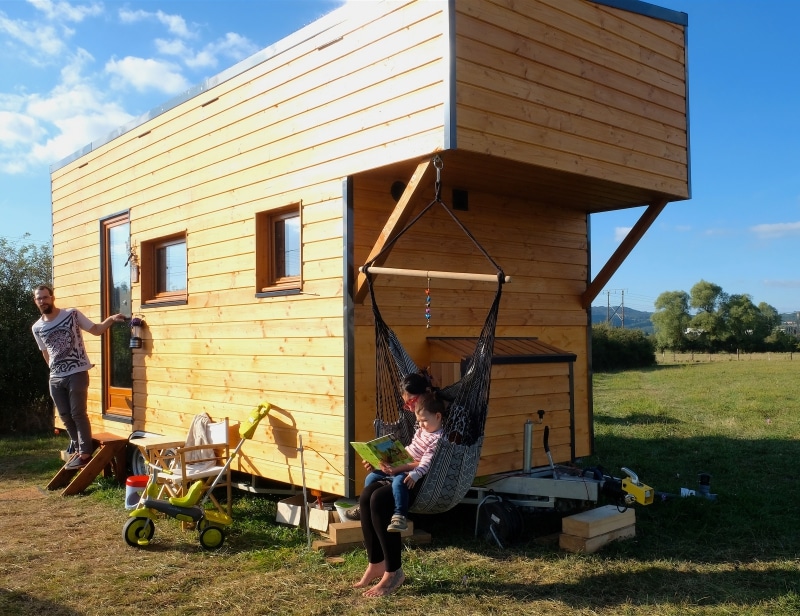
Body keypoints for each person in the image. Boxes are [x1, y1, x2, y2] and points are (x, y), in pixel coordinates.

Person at [351, 371, 437, 598]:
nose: (409, 408)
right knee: (367, 494)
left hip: (423, 479)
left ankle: (394, 572)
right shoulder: (420, 421)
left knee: (379, 499)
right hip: (403, 471)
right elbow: (409, 452)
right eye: (406, 404)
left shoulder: (435, 416)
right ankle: (376, 563)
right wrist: (380, 463)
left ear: (426, 394)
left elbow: (430, 459)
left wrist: (399, 468)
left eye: (411, 401)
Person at [31, 285, 127, 469]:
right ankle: (78, 449)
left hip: (77, 372)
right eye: (39, 298)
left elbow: (96, 329)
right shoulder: (37, 328)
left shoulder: (71, 314)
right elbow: (45, 352)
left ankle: (85, 453)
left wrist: (111, 319)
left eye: (45, 297)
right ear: (35, 301)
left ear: (52, 297)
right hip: (56, 377)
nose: (43, 301)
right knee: (65, 415)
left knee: (77, 413)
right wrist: (53, 370)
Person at [363, 391, 446, 532]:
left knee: (398, 482)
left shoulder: (438, 439)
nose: (421, 425)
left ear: (438, 416)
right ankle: (364, 505)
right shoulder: (421, 431)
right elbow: (411, 448)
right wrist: (388, 458)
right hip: (402, 462)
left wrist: (416, 474)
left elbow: (427, 461)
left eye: (424, 421)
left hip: (410, 470)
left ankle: (400, 515)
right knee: (371, 476)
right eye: (419, 421)